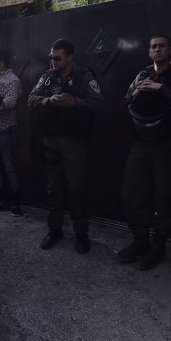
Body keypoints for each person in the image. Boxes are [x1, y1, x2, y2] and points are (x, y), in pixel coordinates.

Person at [117, 35, 171, 270]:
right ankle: (140, 241)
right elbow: (125, 100)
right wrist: (136, 94)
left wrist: (163, 89)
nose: (157, 50)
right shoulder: (142, 75)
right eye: (153, 47)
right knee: (131, 195)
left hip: (166, 146)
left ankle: (158, 246)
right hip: (140, 143)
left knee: (164, 197)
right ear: (149, 51)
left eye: (161, 46)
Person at [27, 38, 104, 254]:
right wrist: (48, 101)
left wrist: (75, 103)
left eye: (57, 58)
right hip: (51, 141)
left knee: (76, 190)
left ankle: (81, 234)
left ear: (70, 57)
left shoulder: (84, 76)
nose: (53, 61)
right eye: (51, 57)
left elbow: (99, 104)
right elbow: (31, 100)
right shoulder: (47, 77)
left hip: (74, 143)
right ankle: (55, 230)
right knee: (54, 189)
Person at [0, 48, 23, 216]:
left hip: (5, 129)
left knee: (9, 167)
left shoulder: (12, 80)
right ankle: (3, 200)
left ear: (0, 63)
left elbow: (10, 103)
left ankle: (15, 203)